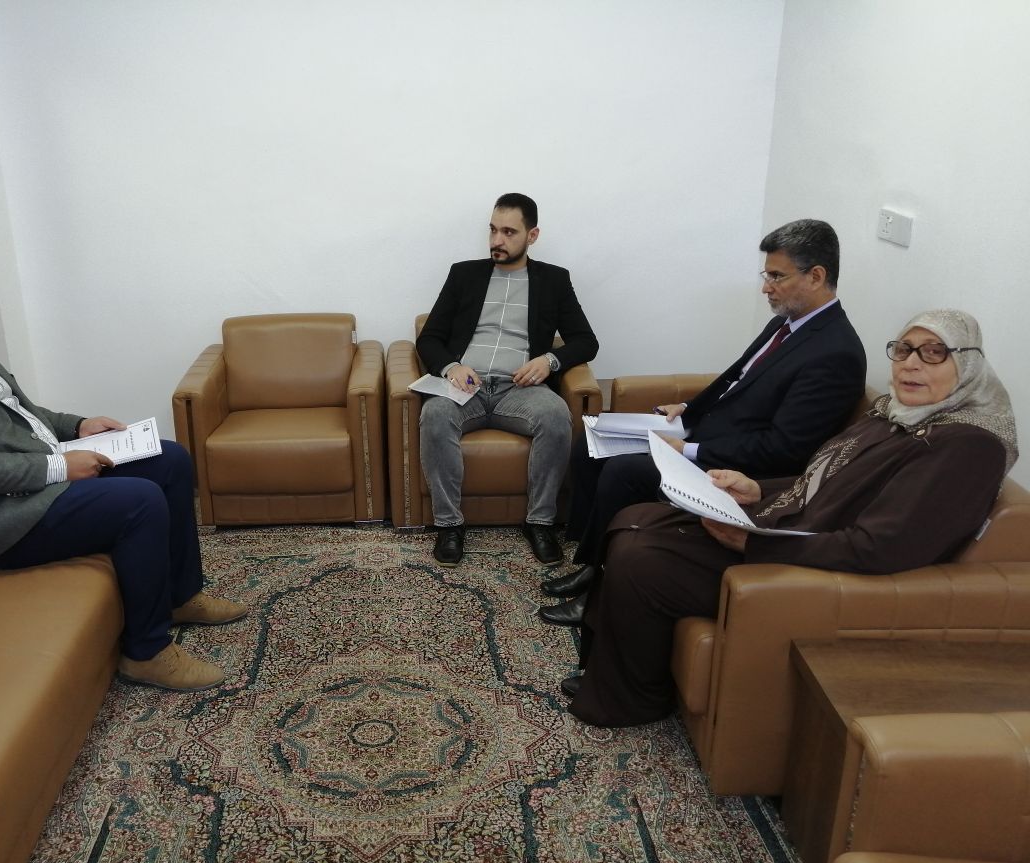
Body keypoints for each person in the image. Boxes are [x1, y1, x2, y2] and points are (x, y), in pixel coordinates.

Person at [567, 309, 1017, 728]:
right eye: (903, 350)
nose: (911, 364)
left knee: (642, 558)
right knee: (637, 518)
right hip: (782, 524)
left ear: (968, 364)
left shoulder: (967, 447)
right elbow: (822, 478)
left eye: (933, 353)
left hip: (803, 559)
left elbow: (879, 549)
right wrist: (758, 489)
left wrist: (755, 542)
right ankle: (619, 673)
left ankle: (632, 698)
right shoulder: (895, 414)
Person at [0, 235, 245, 692]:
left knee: (169, 458)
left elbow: (21, 413)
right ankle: (146, 652)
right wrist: (59, 468)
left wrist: (78, 426)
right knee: (139, 501)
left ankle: (181, 595)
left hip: (34, 480)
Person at [540, 219, 866, 634]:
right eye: (766, 275)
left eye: (777, 276)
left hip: (741, 467)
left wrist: (690, 451)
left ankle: (600, 593)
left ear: (816, 276)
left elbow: (785, 449)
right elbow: (734, 378)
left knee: (624, 470)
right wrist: (688, 409)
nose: (766, 287)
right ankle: (593, 565)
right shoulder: (786, 323)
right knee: (590, 443)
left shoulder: (835, 352)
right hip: (707, 433)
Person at [416, 193, 599, 567]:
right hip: (466, 387)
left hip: (520, 390)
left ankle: (540, 522)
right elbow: (429, 338)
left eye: (509, 232)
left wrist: (549, 360)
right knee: (434, 414)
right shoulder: (464, 274)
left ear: (532, 235)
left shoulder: (554, 280)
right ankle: (449, 525)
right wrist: (451, 367)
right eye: (493, 230)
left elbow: (586, 341)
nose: (497, 240)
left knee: (555, 415)